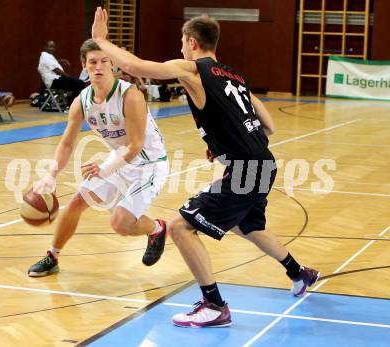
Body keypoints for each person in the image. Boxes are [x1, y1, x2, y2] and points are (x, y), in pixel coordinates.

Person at [91, 7, 320, 328]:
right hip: (264, 163)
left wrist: (101, 40)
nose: (181, 48)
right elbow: (267, 125)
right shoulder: (234, 76)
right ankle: (300, 273)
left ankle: (214, 305)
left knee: (181, 227)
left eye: (182, 43)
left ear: (193, 43)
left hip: (245, 169)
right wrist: (227, 143)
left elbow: (135, 66)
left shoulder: (194, 69)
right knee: (249, 227)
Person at [28, 39, 169, 277]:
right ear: (84, 64)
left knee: (120, 223)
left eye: (104, 61)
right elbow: (66, 143)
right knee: (75, 203)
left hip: (149, 164)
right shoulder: (81, 102)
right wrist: (51, 174)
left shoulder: (130, 96)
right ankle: (53, 256)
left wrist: (103, 170)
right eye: (92, 62)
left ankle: (156, 228)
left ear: (113, 64)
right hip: (118, 159)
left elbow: (135, 146)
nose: (98, 67)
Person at [38, 40, 86, 106]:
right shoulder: (45, 56)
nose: (53, 49)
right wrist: (68, 76)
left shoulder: (48, 56)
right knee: (80, 83)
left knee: (77, 83)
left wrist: (60, 61)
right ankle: (71, 104)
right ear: (45, 47)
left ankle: (70, 103)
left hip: (56, 80)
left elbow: (52, 63)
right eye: (50, 47)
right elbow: (56, 69)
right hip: (54, 81)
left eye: (53, 47)